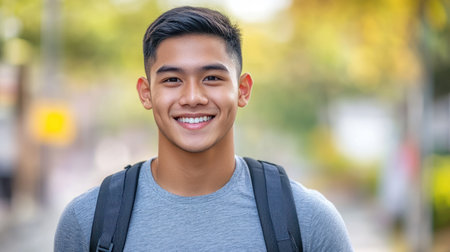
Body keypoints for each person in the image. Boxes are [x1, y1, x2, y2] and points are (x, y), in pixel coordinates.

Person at [55, 6, 353, 251]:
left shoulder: (308, 221)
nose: (193, 98)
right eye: (172, 80)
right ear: (146, 93)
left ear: (243, 90)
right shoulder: (87, 222)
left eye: (212, 78)